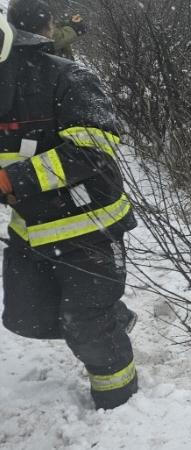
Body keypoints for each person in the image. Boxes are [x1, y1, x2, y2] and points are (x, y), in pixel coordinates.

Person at [0, 0, 139, 410]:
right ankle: (111, 316)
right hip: (30, 228)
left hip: (88, 225)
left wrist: (14, 178)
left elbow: (94, 147)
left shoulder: (67, 77)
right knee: (26, 317)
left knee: (87, 324)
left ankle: (120, 404)